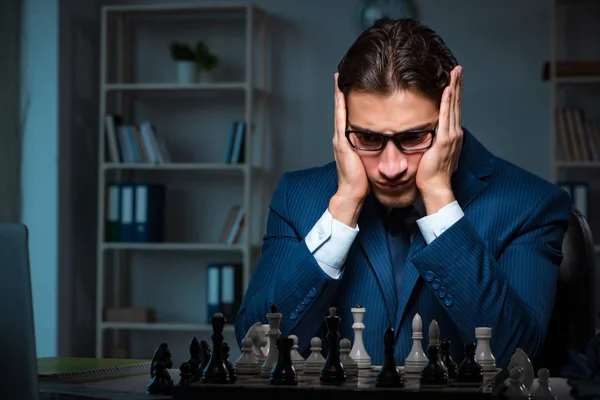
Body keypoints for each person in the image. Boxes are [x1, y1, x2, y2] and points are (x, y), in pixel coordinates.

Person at [234, 17, 571, 368]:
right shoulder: (296, 197)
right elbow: (255, 351)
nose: (391, 167)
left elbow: (516, 357)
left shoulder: (531, 205)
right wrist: (343, 206)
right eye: (368, 138)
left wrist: (440, 200)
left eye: (413, 138)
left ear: (450, 115)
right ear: (342, 121)